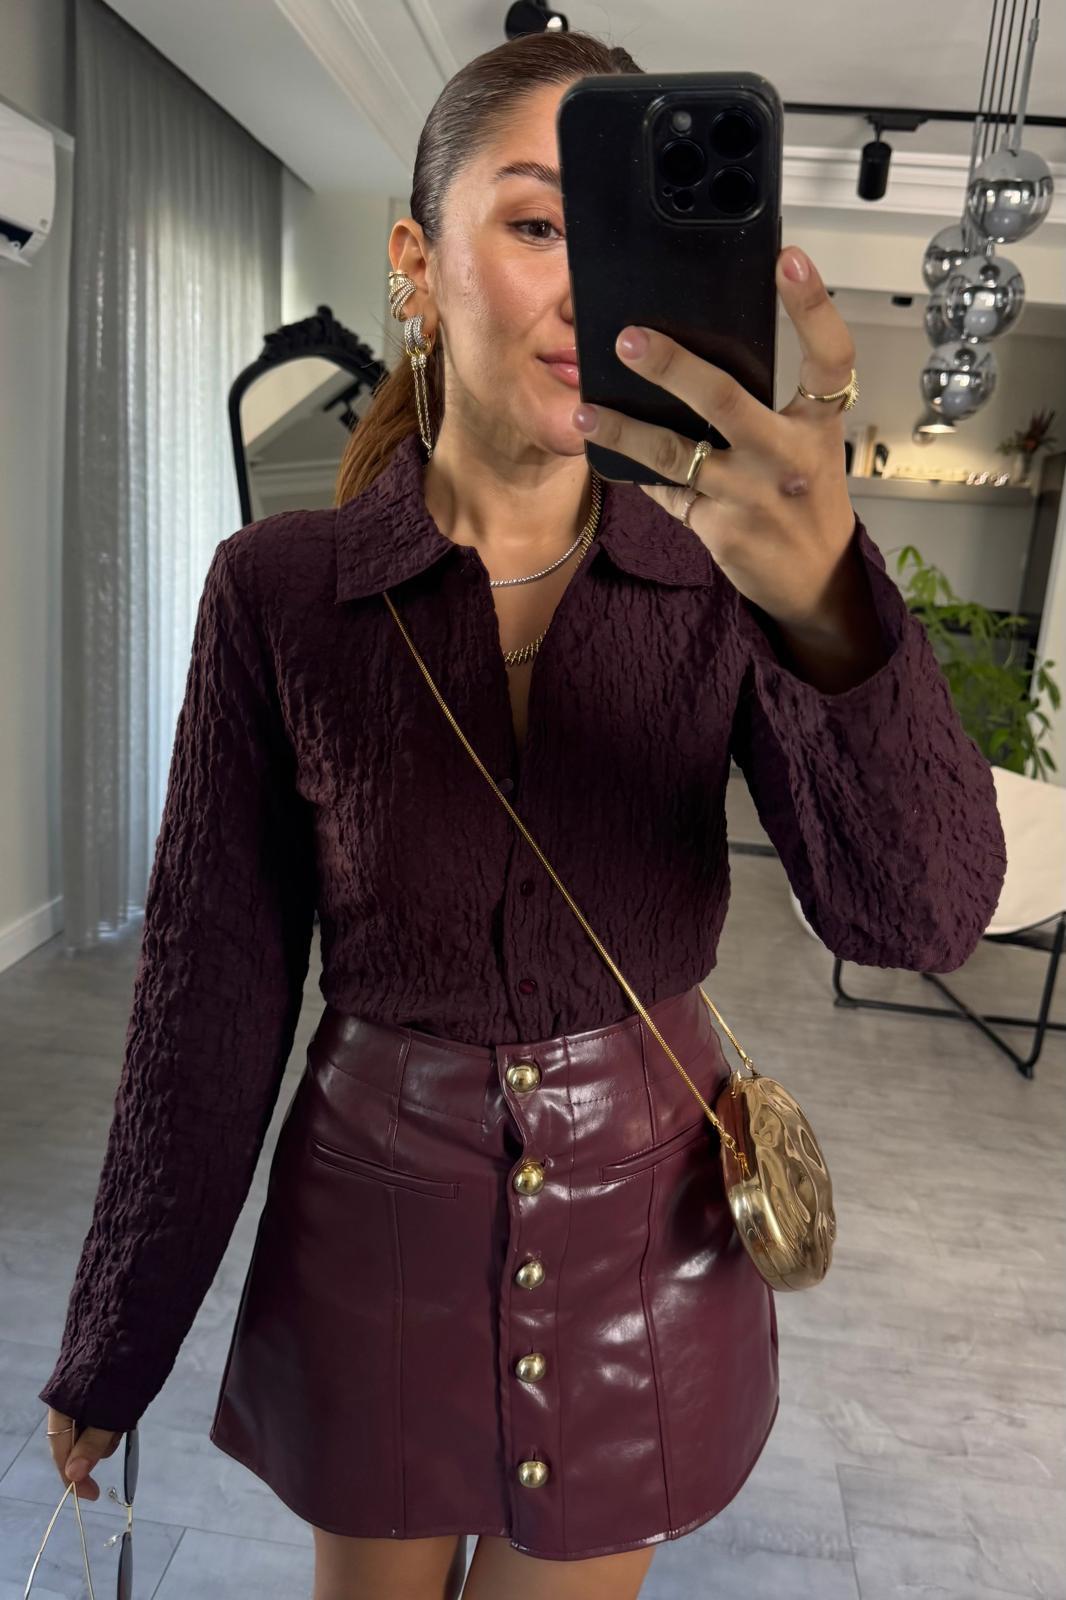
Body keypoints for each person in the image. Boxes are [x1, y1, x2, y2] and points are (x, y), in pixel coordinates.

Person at [37, 27, 1007, 1600]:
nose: (583, 287)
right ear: (417, 264)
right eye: (539, 222)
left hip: (651, 1234)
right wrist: (117, 1333)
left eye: (616, 235)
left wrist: (830, 605)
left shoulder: (721, 578)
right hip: (372, 1233)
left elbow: (919, 915)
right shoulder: (279, 595)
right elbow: (209, 996)